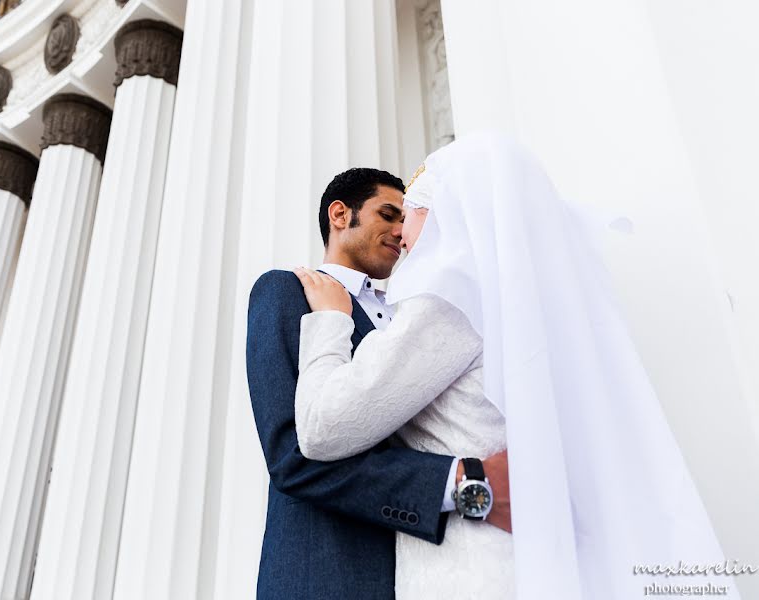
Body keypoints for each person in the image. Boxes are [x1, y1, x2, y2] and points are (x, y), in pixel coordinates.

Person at [292, 132, 738, 599]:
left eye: (416, 209)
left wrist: (329, 320)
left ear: (460, 210)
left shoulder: (450, 296)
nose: (403, 232)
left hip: (474, 568)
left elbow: (325, 427)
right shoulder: (535, 303)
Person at [245, 167, 512, 600]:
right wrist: (460, 482)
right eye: (388, 214)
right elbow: (293, 456)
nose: (400, 229)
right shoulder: (286, 290)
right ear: (339, 214)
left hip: (437, 568)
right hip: (332, 571)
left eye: (405, 218)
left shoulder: (421, 305)